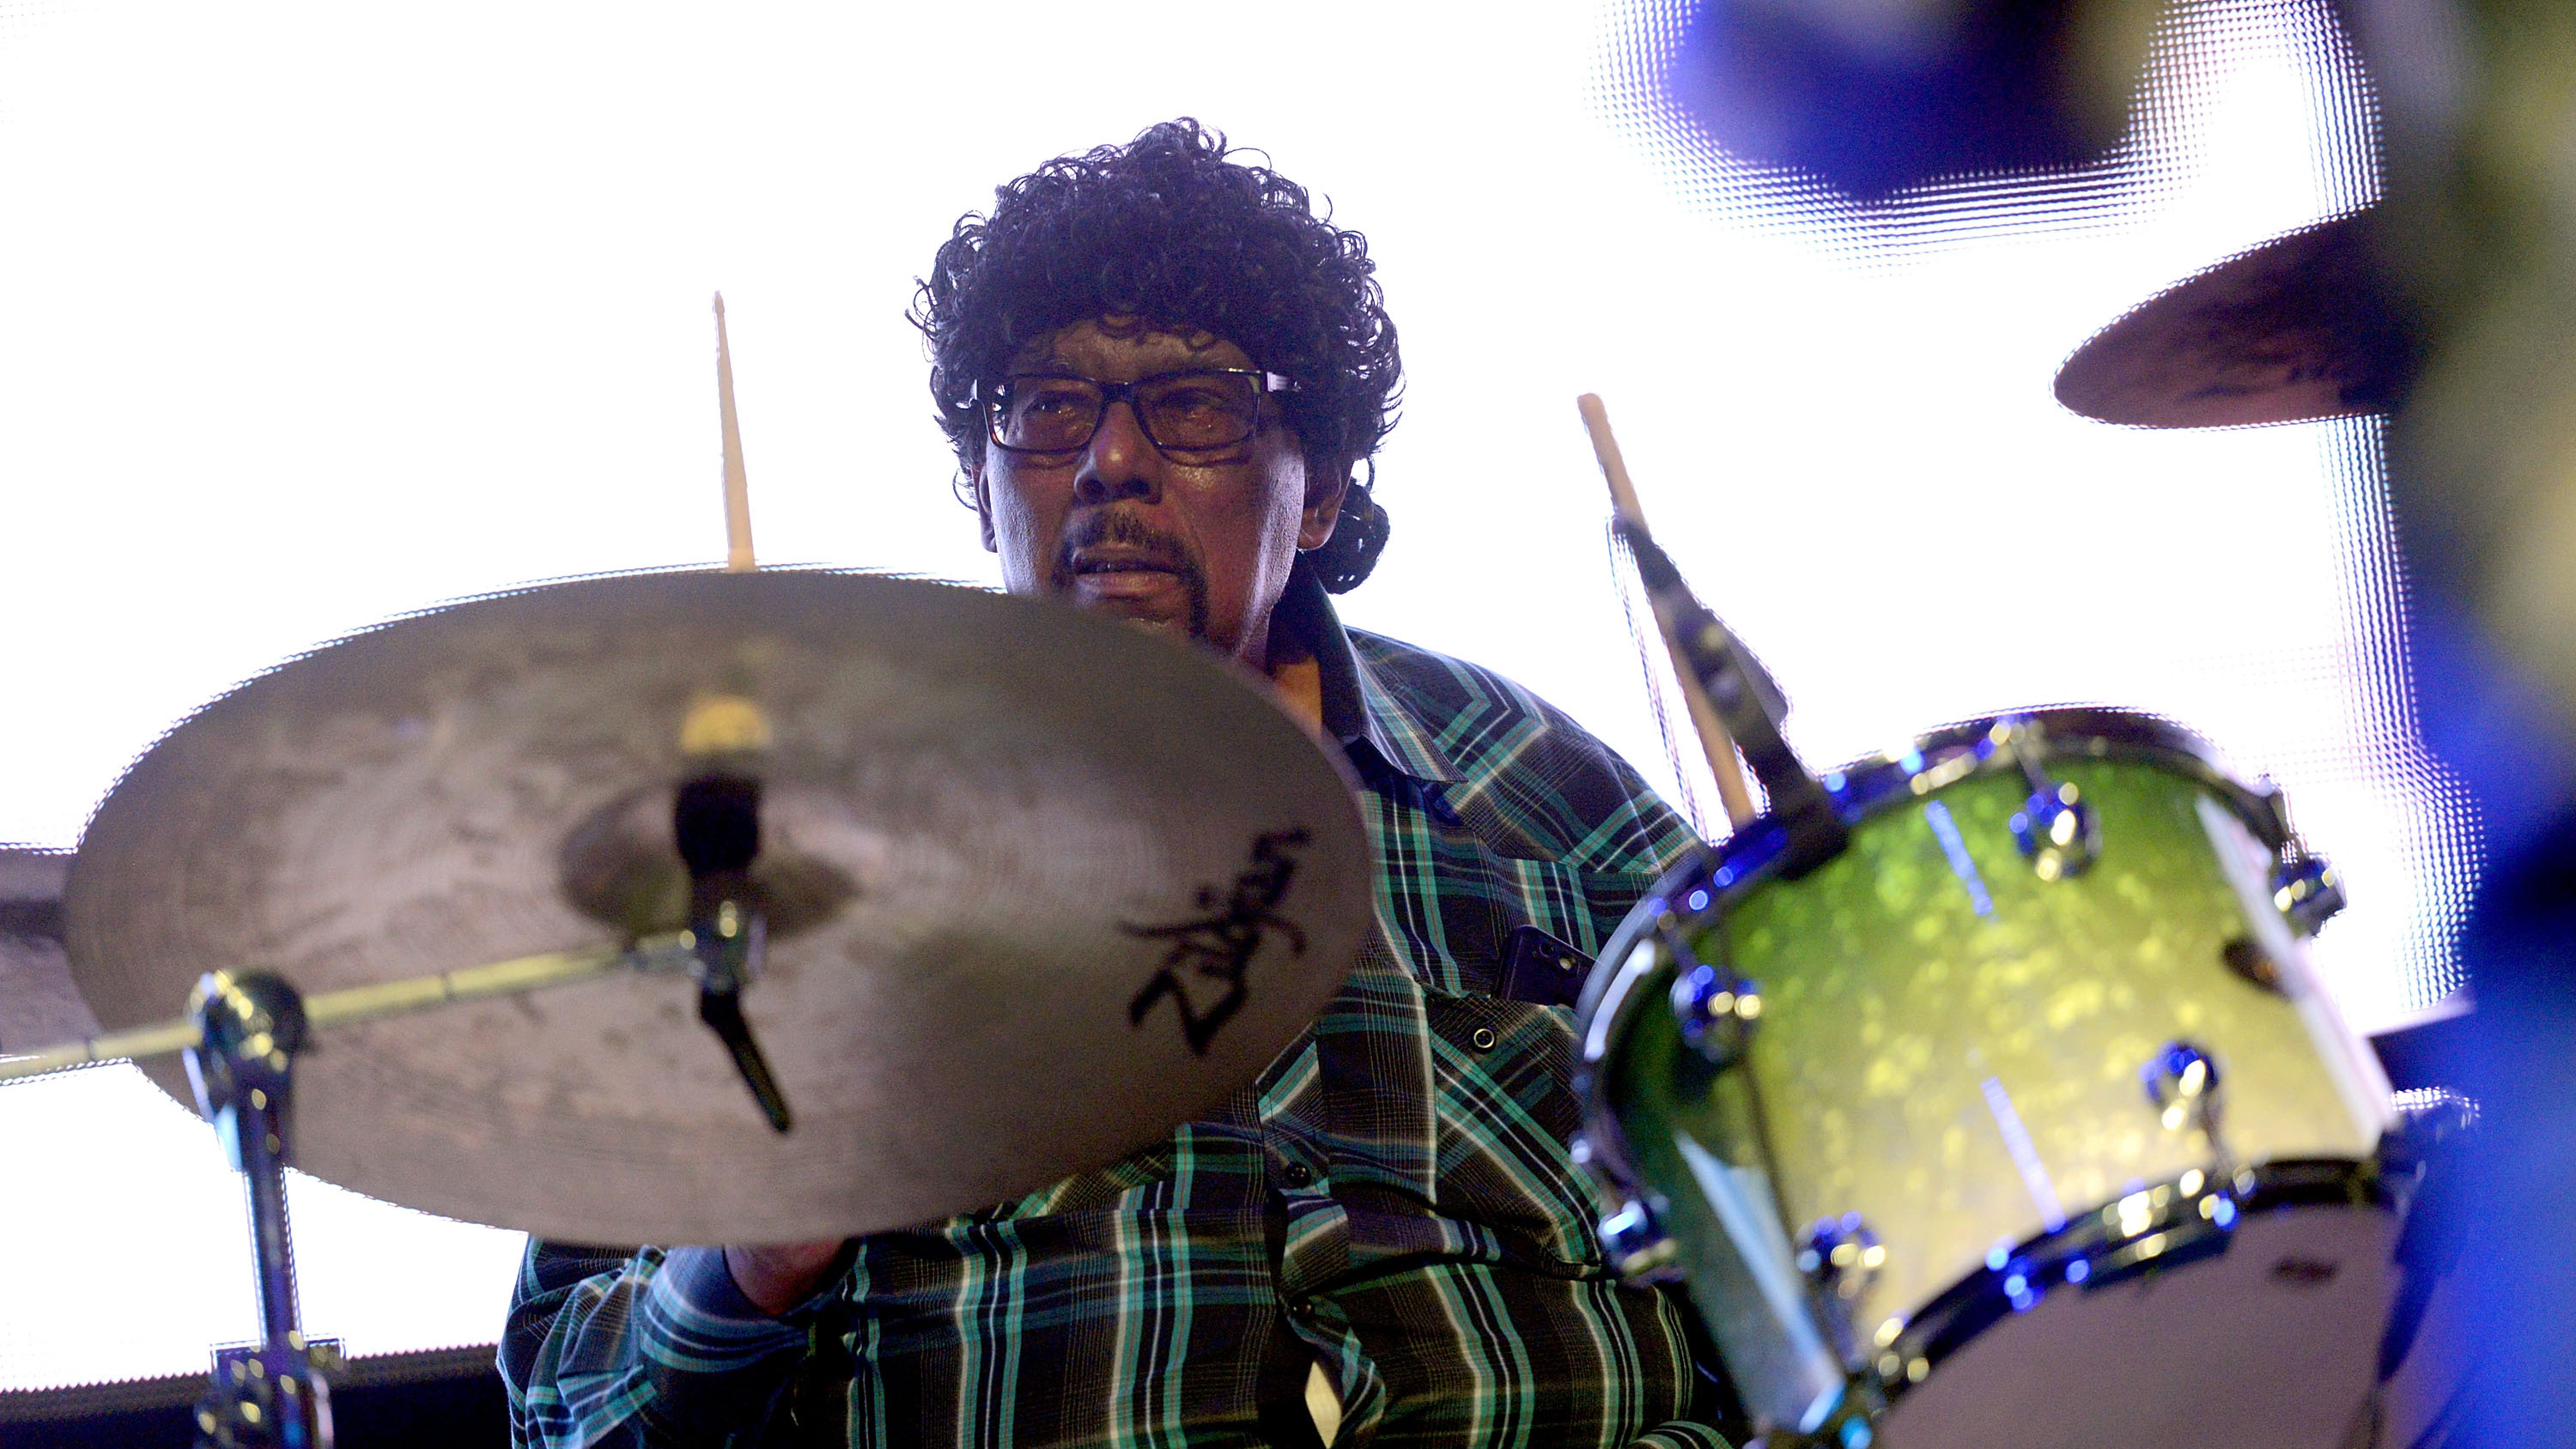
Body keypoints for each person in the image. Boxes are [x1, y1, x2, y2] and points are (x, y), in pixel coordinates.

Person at [501, 119, 1732, 1448]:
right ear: (985, 484)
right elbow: (565, 1401)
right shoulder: (782, 861)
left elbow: (1818, 1247)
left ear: (1318, 489)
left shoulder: (1546, 798)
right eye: (1047, 408)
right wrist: (754, 1259)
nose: (1111, 462)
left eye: (1194, 404)